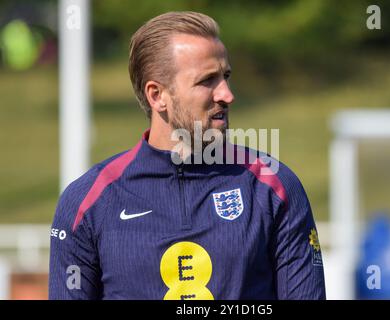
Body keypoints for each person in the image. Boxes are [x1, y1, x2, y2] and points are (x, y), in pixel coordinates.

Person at [49, 11, 326, 300]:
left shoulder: (274, 187)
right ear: (157, 96)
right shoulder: (86, 203)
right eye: (208, 80)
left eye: (226, 77)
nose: (227, 94)